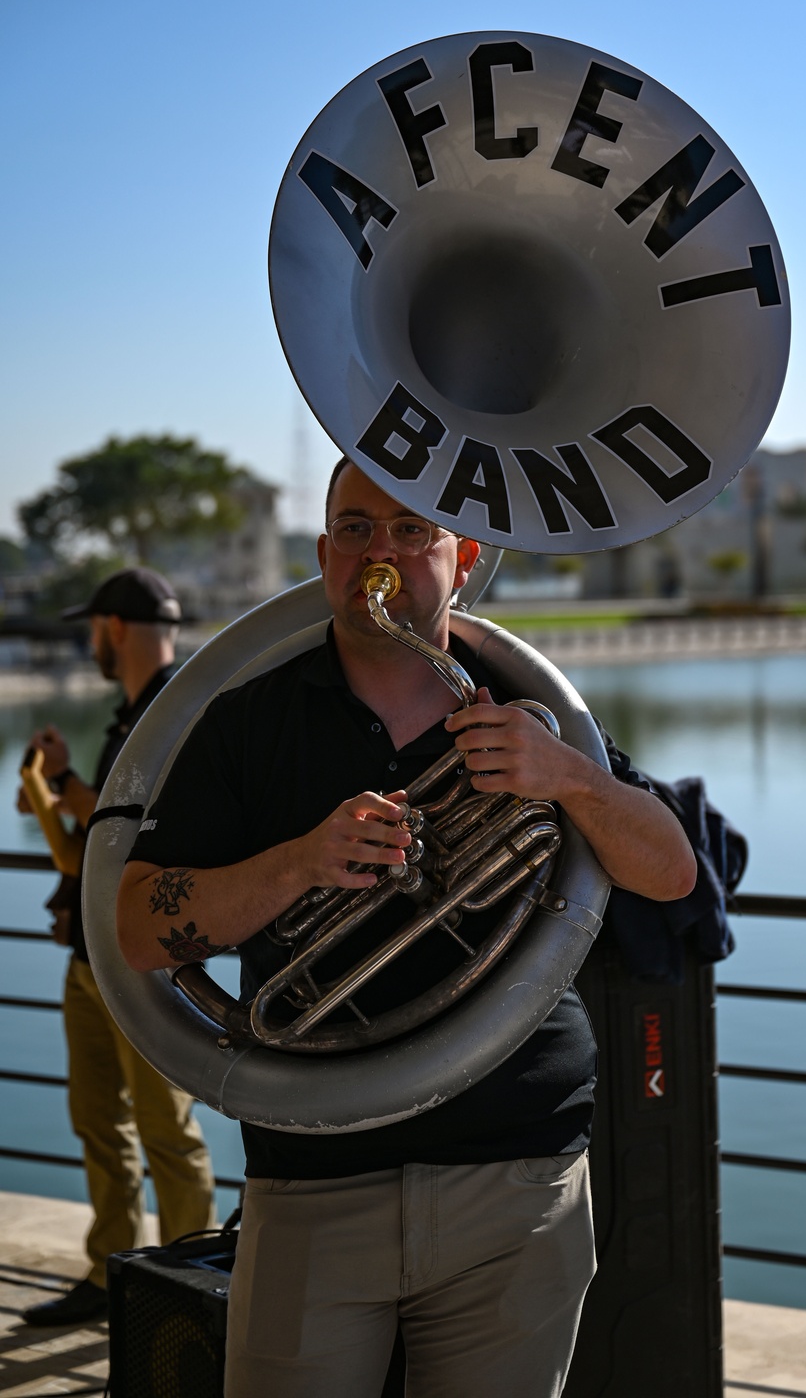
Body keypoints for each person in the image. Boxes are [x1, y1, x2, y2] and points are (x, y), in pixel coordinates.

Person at [116, 465, 697, 1398]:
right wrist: (302, 862)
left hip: (517, 1171)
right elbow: (140, 929)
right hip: (316, 1171)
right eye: (352, 530)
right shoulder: (248, 721)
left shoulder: (524, 710)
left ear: (463, 558)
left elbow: (671, 874)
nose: (376, 554)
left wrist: (572, 777)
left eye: (408, 530)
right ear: (321, 555)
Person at [21, 568, 217, 1327]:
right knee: (97, 1121)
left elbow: (111, 839)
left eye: (91, 629)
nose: (87, 642)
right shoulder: (130, 720)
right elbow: (97, 845)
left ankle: (189, 1286)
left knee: (167, 1134)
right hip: (89, 960)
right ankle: (112, 1275)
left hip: (146, 969)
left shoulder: (179, 719)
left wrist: (60, 788)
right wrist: (56, 789)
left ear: (112, 628)